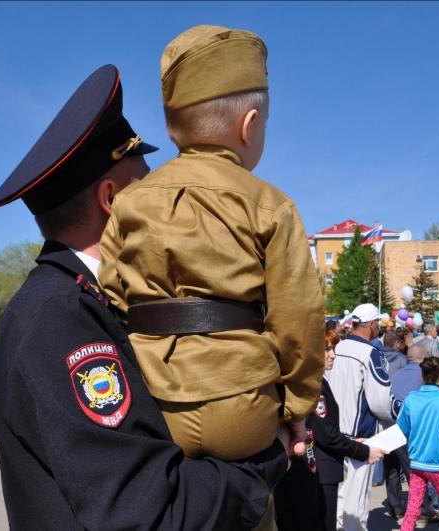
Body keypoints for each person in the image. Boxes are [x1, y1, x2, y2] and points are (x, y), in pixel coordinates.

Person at [0, 64, 289, 529]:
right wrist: (269, 458)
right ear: (114, 200)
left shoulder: (87, 298)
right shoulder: (59, 316)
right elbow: (151, 509)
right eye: (148, 185)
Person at [99, 24, 323, 463]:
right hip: (243, 405)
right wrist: (297, 408)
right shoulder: (271, 205)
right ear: (249, 124)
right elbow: (299, 317)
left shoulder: (129, 202)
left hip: (151, 402)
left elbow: (111, 298)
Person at [276, 331, 386, 531]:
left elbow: (322, 429)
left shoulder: (315, 381)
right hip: (318, 468)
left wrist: (355, 442)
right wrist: (362, 451)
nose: (333, 354)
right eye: (326, 349)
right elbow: (325, 434)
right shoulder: (314, 385)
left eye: (333, 349)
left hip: (314, 466)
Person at [325, 303, 393, 531]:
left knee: (338, 500)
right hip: (360, 438)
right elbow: (381, 401)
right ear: (372, 325)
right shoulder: (371, 353)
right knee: (356, 505)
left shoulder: (336, 347)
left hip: (332, 434)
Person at [396, 357, 439, 531]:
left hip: (417, 461)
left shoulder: (411, 398)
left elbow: (402, 426)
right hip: (438, 463)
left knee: (413, 508)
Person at [386, 343, 439, 523]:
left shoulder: (396, 374)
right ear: (423, 358)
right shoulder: (424, 376)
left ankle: (396, 507)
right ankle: (425, 510)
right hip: (409, 427)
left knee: (392, 467)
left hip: (389, 424)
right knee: (414, 469)